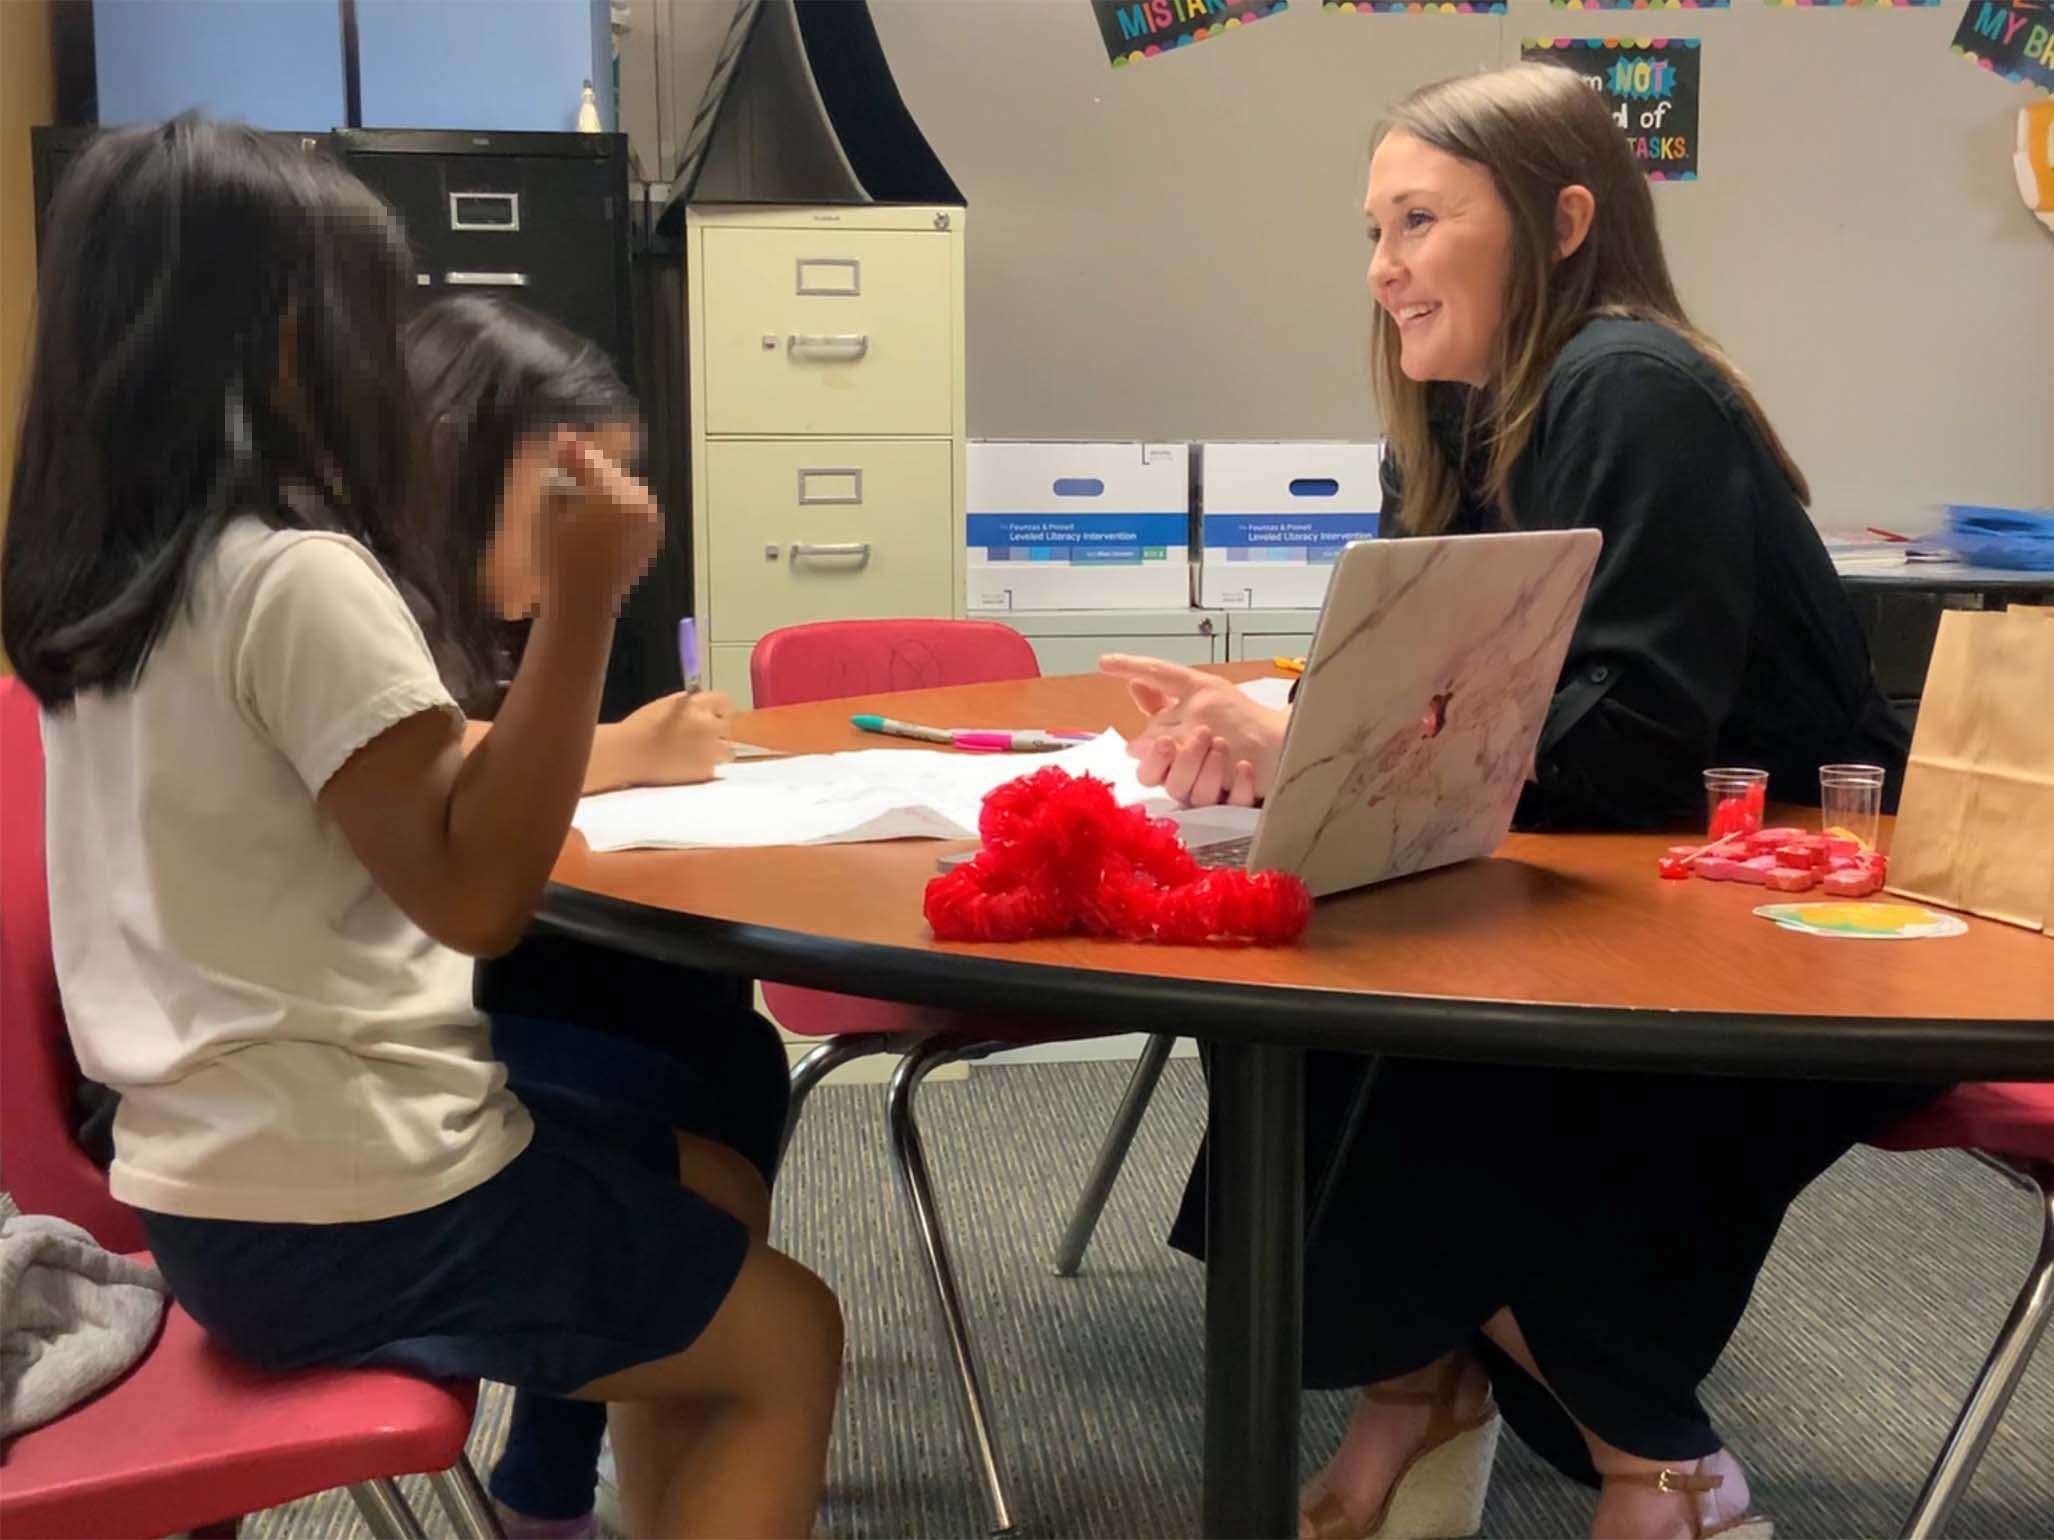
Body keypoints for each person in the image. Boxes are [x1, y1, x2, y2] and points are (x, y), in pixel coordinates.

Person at [1100, 65, 1940, 1540]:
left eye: (1419, 220)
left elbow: (1617, 744)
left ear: (1561, 221)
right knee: (1319, 1037)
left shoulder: (1630, 386)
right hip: (1625, 885)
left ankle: (1654, 1464)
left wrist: (1303, 733)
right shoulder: (1456, 417)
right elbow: (1430, 695)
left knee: (1429, 1068)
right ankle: (1423, 1386)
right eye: (1373, 229)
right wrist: (1289, 725)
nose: (1381, 269)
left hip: (1794, 921)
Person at [2, 118, 839, 1539]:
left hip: (207, 1187)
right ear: (279, 333)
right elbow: (477, 901)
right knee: (787, 1340)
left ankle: (589, 1474)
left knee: (701, 1188)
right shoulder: (296, 577)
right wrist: (584, 605)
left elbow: (393, 773)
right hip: (354, 1198)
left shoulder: (125, 587)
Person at [406, 292, 796, 1536]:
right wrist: (617, 743)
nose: (603, 541)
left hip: (442, 1008)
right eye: (571, 511)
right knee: (680, 1123)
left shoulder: (472, 617)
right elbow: (433, 778)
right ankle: (593, 1447)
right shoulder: (349, 615)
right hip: (393, 1058)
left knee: (722, 1038)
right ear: (453, 474)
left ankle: (582, 1448)